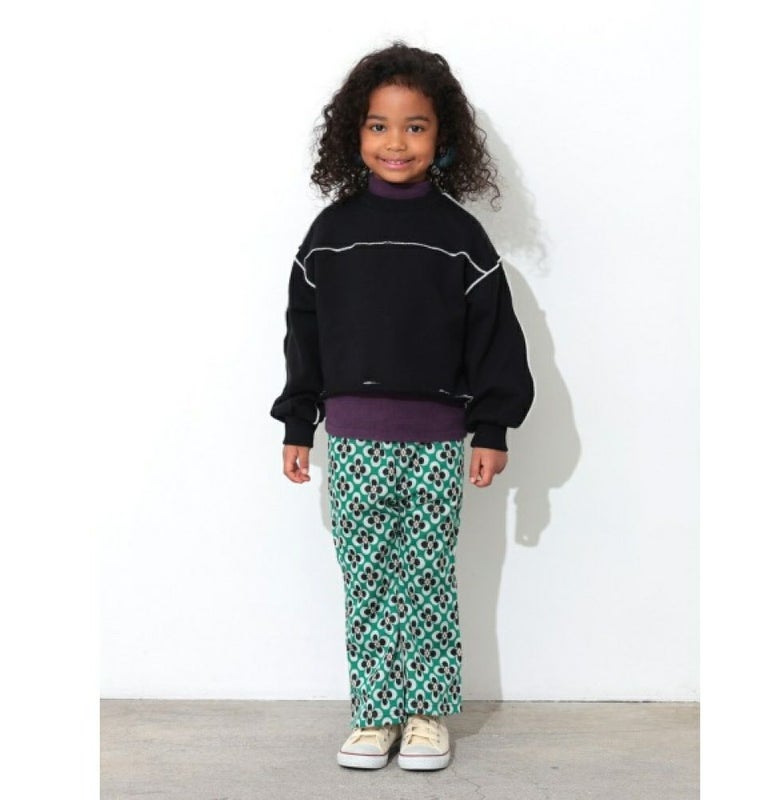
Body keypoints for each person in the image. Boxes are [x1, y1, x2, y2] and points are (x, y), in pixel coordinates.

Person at [270, 41, 535, 771]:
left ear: (442, 136)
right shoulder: (330, 235)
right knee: (367, 577)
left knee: (425, 577)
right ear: (353, 134)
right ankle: (375, 714)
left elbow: (494, 337)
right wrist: (297, 422)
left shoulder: (461, 237)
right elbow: (303, 334)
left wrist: (491, 426)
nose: (396, 142)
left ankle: (425, 715)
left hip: (436, 443)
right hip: (353, 440)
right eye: (379, 126)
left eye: (415, 126)